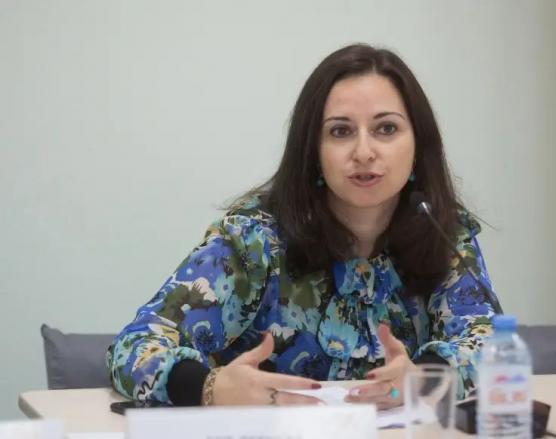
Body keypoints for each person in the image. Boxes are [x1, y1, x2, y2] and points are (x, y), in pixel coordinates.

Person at [107, 43, 499, 409]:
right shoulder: (253, 241)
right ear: (313, 152)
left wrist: (425, 378)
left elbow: (489, 343)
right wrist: (210, 387)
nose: (364, 152)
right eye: (341, 131)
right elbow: (135, 347)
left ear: (418, 145)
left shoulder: (445, 234)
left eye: (386, 129)